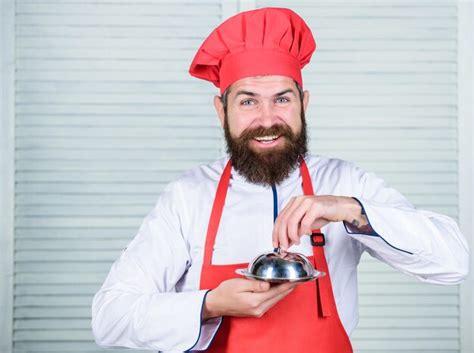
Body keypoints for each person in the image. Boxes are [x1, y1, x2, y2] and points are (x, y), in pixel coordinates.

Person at [91, 7, 469, 353]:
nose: (267, 118)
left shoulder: (343, 181)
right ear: (221, 111)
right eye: (248, 101)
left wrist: (349, 210)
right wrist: (210, 304)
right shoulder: (188, 197)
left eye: (282, 99)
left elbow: (453, 262)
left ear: (304, 103)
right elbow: (110, 318)